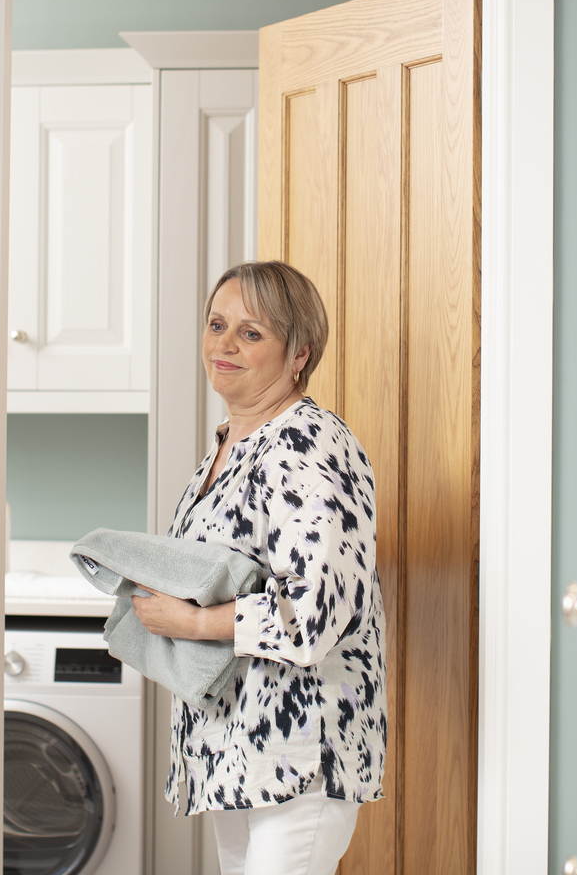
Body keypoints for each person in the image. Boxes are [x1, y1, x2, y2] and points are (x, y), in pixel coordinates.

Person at [131, 260, 386, 875]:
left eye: (251, 333)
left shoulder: (308, 443)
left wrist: (190, 624)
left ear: (298, 353)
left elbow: (313, 615)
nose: (223, 345)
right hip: (234, 743)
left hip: (298, 747)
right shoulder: (230, 444)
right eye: (216, 324)